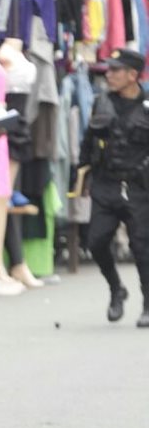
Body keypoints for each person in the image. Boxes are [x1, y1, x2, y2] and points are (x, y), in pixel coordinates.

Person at [80, 47, 149, 326]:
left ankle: (147, 304)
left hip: (138, 187)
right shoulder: (102, 103)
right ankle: (116, 288)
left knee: (142, 248)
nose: (109, 75)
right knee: (95, 242)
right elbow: (88, 140)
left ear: (133, 75)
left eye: (115, 70)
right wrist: (81, 171)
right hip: (106, 184)